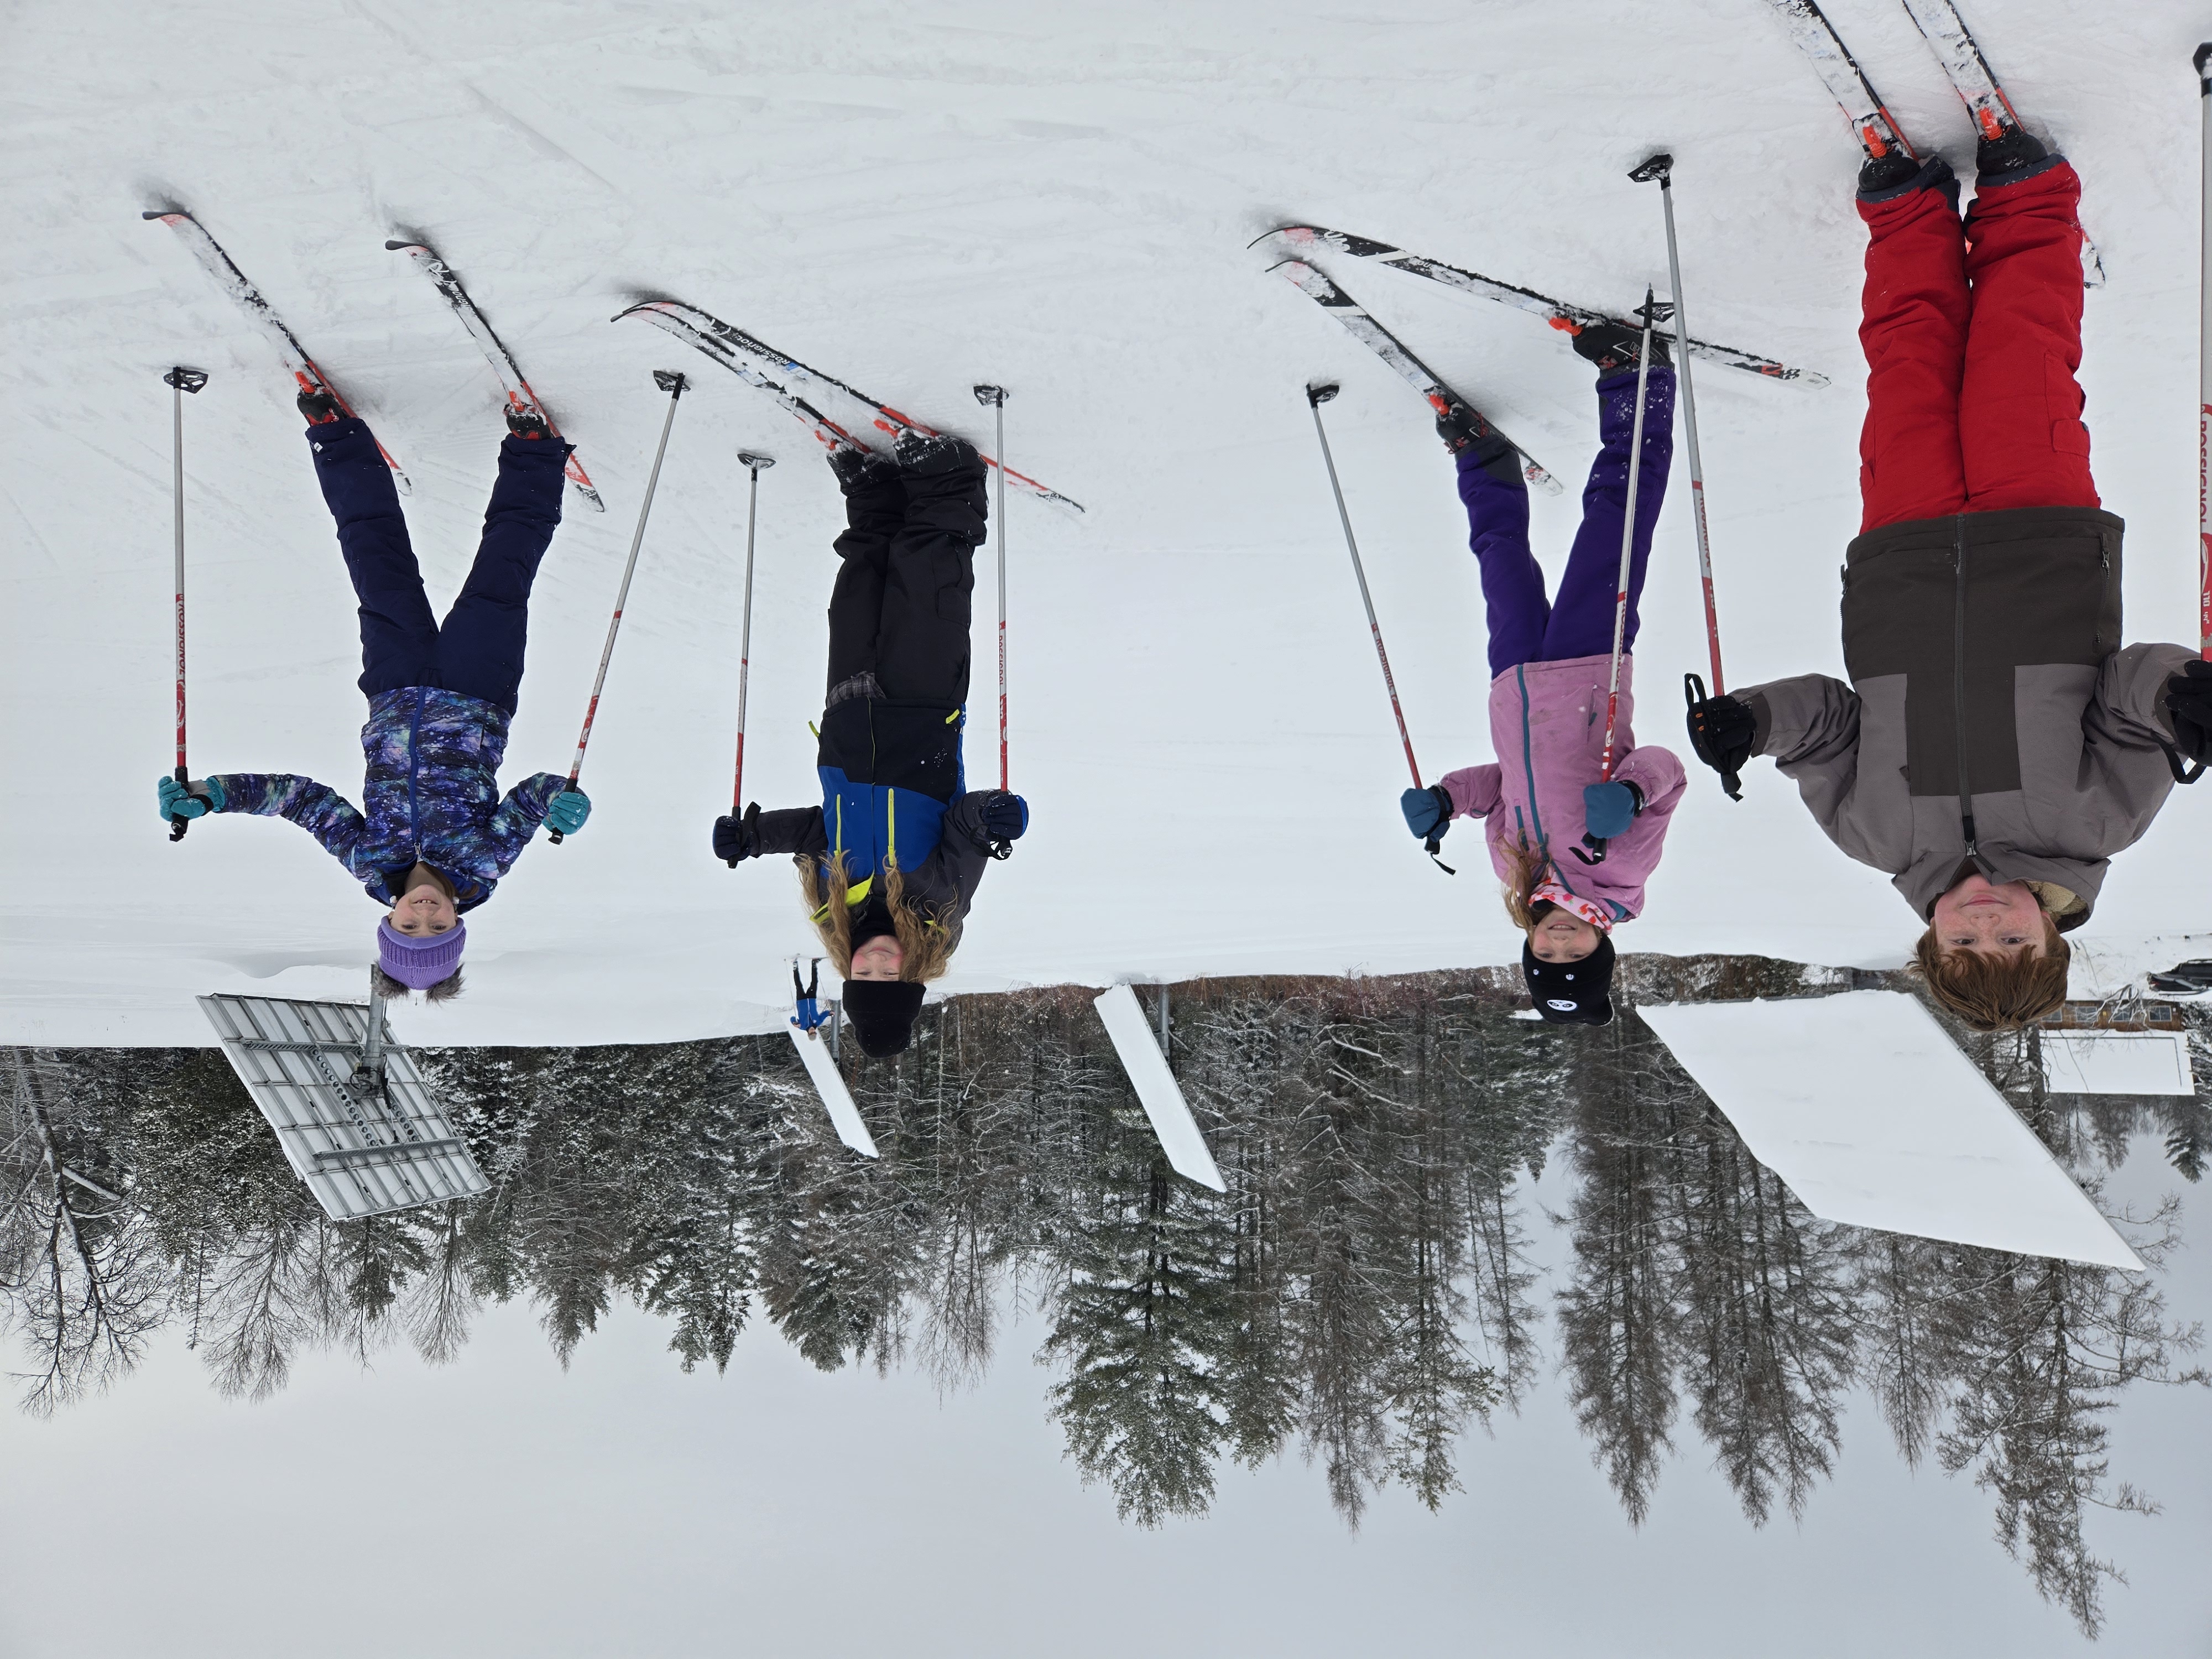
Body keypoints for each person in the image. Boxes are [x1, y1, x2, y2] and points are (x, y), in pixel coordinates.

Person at [1684, 134, 2210, 1030]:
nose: (1986, 926)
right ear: (2053, 935)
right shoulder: (2097, 826)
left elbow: (1827, 727)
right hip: (2041, 545)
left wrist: (1753, 724)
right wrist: (2183, 701)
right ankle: (2027, 201)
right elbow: (2127, 698)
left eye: (1965, 948)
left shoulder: (1873, 839)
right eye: (2015, 946)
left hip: (1903, 561)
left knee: (1907, 370)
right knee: (2022, 354)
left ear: (1930, 942)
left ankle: (1906, 215)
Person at [155, 395, 591, 1000]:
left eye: (410, 926)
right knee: (503, 569)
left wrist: (215, 794)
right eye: (437, 926)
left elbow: (303, 802)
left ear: (388, 922)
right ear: (457, 925)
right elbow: (533, 798)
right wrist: (561, 802)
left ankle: (338, 440)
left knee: (373, 558)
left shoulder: (368, 859)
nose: (425, 912)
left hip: (392, 686)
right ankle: (534, 453)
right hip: (477, 690)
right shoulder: (484, 863)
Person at [1400, 325, 1688, 1026]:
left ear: (1528, 948)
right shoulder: (1621, 872)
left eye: (1547, 958)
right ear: (1601, 946)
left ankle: (1481, 460)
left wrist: (1448, 800)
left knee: (1497, 555)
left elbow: (1500, 785)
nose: (1560, 944)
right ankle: (1635, 382)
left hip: (1518, 686)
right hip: (1592, 672)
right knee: (1613, 522)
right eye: (1576, 956)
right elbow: (1666, 770)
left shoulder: (1513, 873)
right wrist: (1630, 790)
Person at [713, 430, 1028, 1057]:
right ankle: (948, 483)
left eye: (864, 976)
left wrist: (754, 838)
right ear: (912, 975)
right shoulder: (939, 902)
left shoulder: (837, 910)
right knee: (925, 592)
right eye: (890, 975)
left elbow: (816, 831)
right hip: (920, 720)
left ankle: (876, 499)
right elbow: (967, 828)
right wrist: (1000, 813)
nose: (876, 963)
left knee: (857, 595)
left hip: (849, 727)